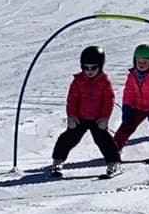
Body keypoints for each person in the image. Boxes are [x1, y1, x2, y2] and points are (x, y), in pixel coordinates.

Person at [50, 46, 121, 177]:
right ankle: (57, 160)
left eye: (93, 67)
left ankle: (114, 162)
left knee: (104, 140)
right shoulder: (78, 81)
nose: (89, 71)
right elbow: (71, 99)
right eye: (85, 67)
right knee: (68, 138)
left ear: (100, 66)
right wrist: (71, 115)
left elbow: (108, 101)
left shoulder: (105, 82)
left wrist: (105, 118)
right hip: (80, 117)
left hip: (97, 119)